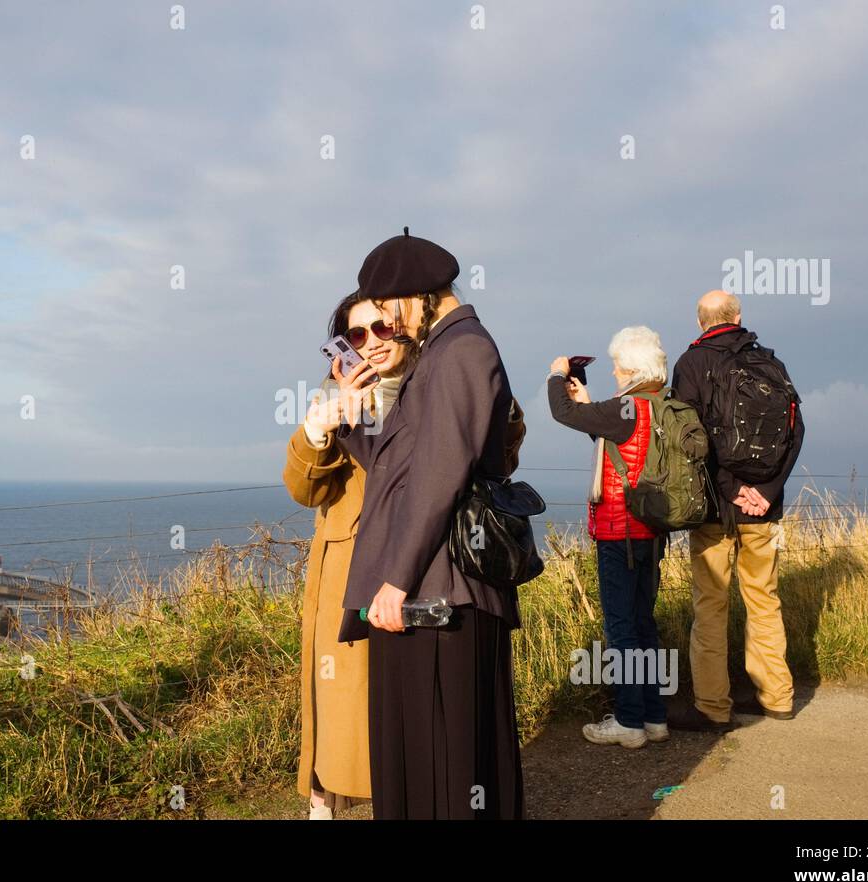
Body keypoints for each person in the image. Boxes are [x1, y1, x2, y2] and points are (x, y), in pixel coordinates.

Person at [285, 291, 526, 819]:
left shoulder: (441, 376)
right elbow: (303, 488)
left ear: (403, 325)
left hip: (433, 570)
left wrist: (499, 405)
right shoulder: (339, 398)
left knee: (416, 725)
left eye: (381, 328)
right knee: (349, 713)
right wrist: (319, 430)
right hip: (352, 574)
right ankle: (327, 799)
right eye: (355, 335)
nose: (371, 343)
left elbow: (495, 457)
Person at [668, 290, 804, 731]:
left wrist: (732, 489)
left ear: (699, 320)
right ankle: (777, 697)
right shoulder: (771, 362)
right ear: (738, 316)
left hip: (714, 509)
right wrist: (766, 489)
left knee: (711, 605)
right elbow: (796, 428)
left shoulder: (691, 364)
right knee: (764, 601)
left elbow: (690, 439)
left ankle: (712, 707)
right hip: (763, 510)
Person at [546, 327, 672, 748]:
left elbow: (561, 414)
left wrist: (556, 376)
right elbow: (618, 445)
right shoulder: (660, 405)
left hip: (620, 533)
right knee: (643, 625)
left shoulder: (624, 408)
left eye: (618, 365)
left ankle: (629, 722)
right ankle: (654, 717)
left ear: (633, 368)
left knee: (621, 629)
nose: (615, 371)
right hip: (653, 532)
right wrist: (587, 404)